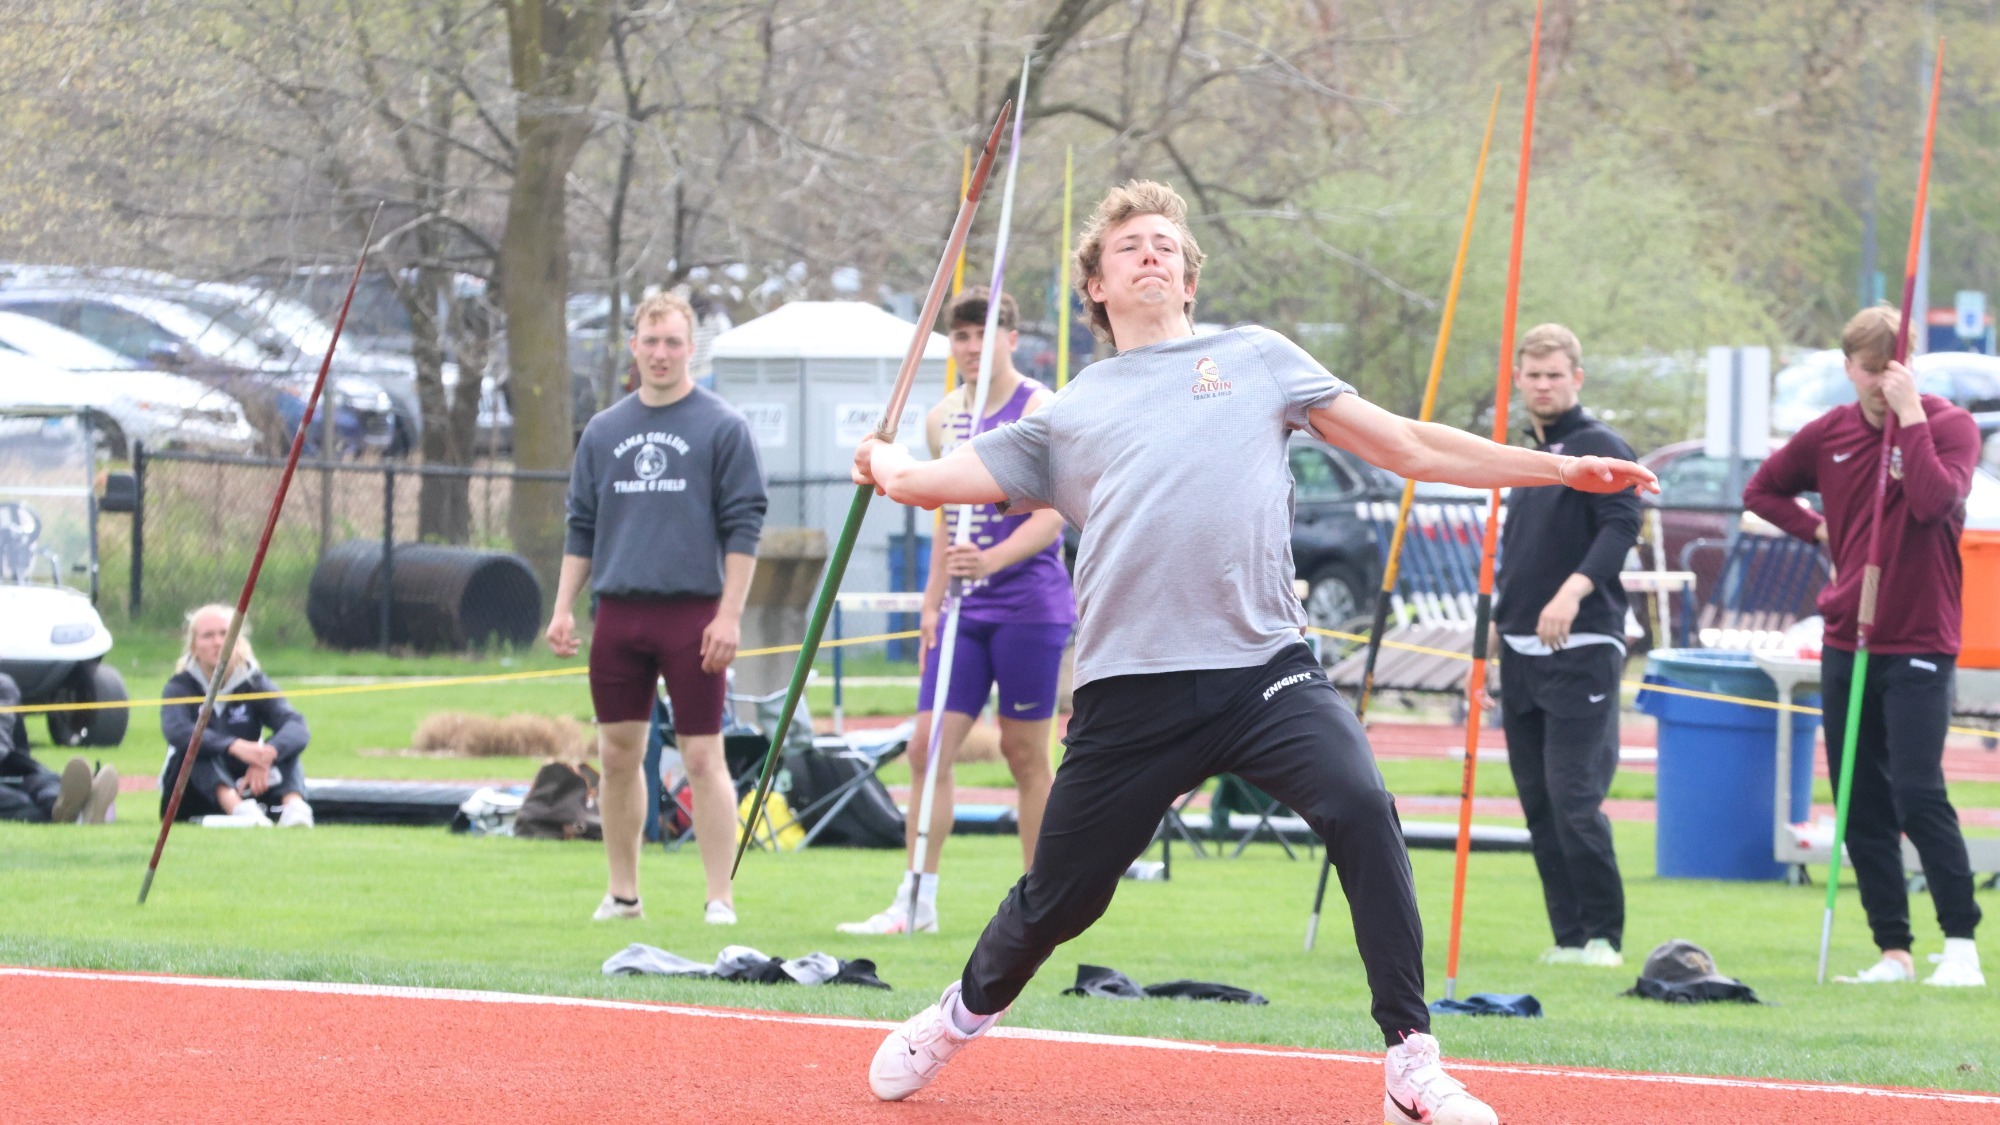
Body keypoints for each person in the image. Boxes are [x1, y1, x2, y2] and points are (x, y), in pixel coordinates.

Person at [850, 180, 1657, 1124]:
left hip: (1263, 667)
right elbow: (930, 481)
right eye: (1129, 246)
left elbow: (1408, 446)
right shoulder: (1068, 413)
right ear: (1097, 286)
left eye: (1166, 243)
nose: (1151, 253)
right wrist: (884, 462)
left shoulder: (1256, 358)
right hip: (1130, 689)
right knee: (1061, 899)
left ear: (1189, 277)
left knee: (1361, 803)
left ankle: (1411, 1060)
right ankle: (959, 1014)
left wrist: (1557, 468)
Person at [1745, 305, 1984, 987]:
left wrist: (1910, 419)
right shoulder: (1831, 433)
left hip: (1920, 636)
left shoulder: (1948, 425)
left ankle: (1960, 945)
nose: (1881, 383)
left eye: (1892, 369)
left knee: (1917, 791)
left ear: (1910, 364)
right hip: (1848, 634)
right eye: (1869, 370)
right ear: (1848, 368)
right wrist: (1819, 529)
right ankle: (1893, 950)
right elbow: (1762, 490)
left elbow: (1936, 504)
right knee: (1858, 797)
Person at [838, 289, 1075, 936]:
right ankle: (916, 898)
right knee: (926, 747)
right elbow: (943, 514)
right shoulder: (943, 418)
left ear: (1011, 340)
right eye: (962, 336)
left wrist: (991, 561)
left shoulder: (1040, 408)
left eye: (984, 334)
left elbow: (1054, 515)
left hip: (1028, 604)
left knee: (1024, 754)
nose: (972, 347)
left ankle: (1040, 908)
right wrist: (931, 603)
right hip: (964, 610)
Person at [548, 290, 767, 926]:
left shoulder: (723, 426)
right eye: (651, 341)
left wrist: (729, 616)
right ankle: (623, 894)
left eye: (673, 342)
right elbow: (581, 525)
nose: (661, 353)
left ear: (691, 347)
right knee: (617, 756)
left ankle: (719, 897)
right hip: (619, 614)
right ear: (634, 347)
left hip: (693, 614)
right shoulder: (604, 430)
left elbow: (744, 526)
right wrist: (562, 609)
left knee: (703, 757)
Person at [1488, 323, 1640, 968]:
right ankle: (1570, 937)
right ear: (1519, 380)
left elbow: (1621, 526)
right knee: (1539, 805)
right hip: (1519, 649)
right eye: (1534, 375)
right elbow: (1520, 554)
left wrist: (1571, 593)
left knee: (1574, 797)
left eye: (1555, 375)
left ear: (1576, 378)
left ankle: (1605, 936)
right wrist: (1495, 631)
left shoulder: (1599, 447)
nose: (1544, 385)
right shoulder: (1532, 459)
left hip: (1581, 647)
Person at [160, 605, 312, 827]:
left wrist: (267, 755)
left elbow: (296, 725)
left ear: (238, 641)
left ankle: (294, 808)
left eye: (225, 634)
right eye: (208, 636)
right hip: (190, 792)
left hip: (246, 782)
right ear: (194, 647)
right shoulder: (179, 687)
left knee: (285, 748)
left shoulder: (253, 682)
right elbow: (177, 731)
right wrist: (233, 746)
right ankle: (239, 810)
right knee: (195, 747)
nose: (218, 642)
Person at [0, 672, 118, 825]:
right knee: (18, 801)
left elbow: (20, 745)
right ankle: (81, 811)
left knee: (47, 781)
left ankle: (69, 806)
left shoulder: (5, 686)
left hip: (9, 766)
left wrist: (29, 770)